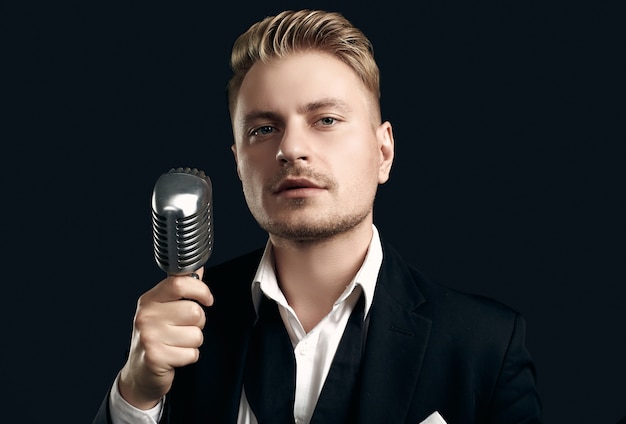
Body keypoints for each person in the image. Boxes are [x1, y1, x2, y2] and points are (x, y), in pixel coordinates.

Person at [93, 9, 541, 424]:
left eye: (325, 120)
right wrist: (135, 396)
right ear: (237, 163)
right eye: (263, 129)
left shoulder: (483, 345)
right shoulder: (181, 327)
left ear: (383, 152)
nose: (290, 149)